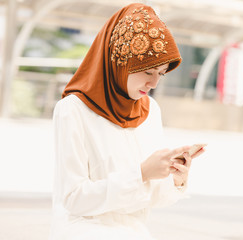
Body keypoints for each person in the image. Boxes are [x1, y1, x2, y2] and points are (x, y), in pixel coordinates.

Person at [48, 3, 205, 240]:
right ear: (120, 61)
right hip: (82, 231)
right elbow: (73, 199)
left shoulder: (150, 110)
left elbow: (148, 199)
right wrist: (141, 173)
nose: (154, 84)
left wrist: (176, 179)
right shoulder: (73, 110)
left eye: (161, 74)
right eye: (147, 72)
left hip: (134, 232)